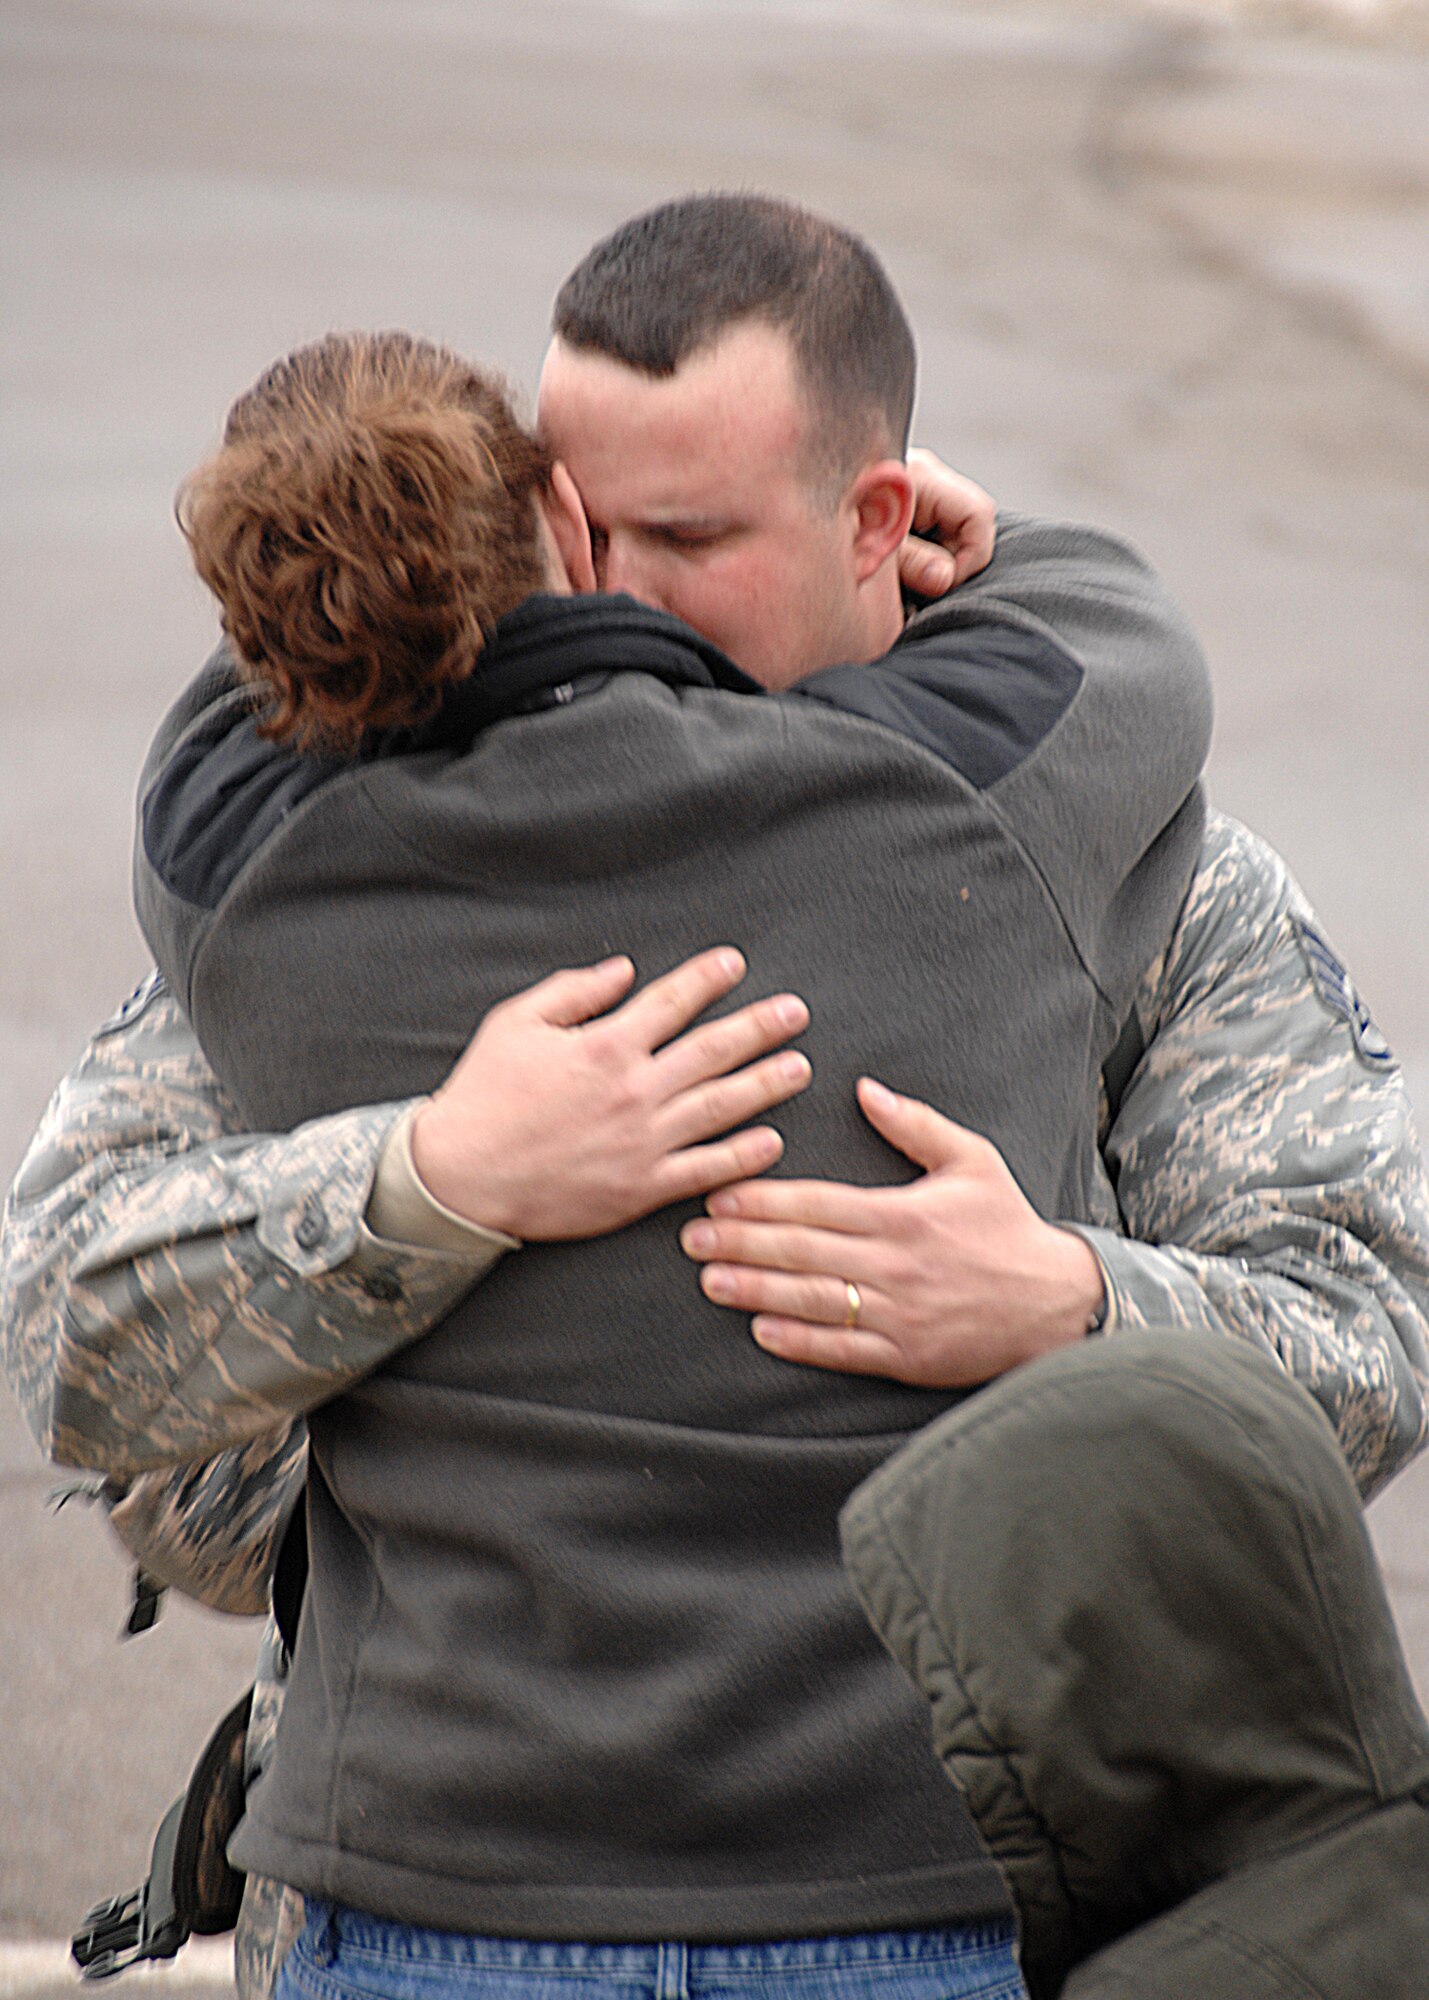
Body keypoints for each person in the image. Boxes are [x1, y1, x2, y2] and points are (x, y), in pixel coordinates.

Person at [1, 192, 1425, 1992]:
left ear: (884, 520)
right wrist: (423, 1187)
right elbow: (97, 1379)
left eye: (687, 537)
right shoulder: (365, 848)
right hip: (434, 1879)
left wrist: (1065, 1304)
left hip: (959, 1897)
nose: (609, 603)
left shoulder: (1142, 871)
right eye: (575, 532)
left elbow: (1367, 1347)